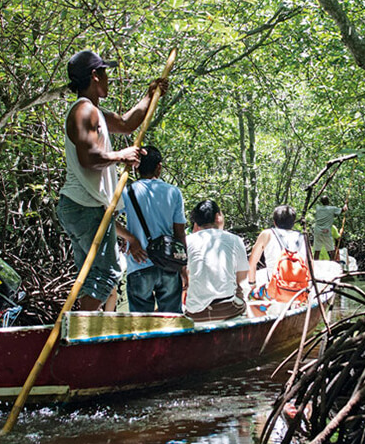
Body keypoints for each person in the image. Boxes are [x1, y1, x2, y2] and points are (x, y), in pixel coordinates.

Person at [57, 49, 167, 312]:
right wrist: (121, 155)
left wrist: (150, 95)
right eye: (106, 73)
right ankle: (81, 327)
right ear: (95, 75)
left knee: (90, 275)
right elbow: (88, 157)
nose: (109, 79)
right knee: (108, 271)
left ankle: (80, 331)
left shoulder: (93, 111)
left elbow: (128, 123)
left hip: (79, 206)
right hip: (85, 206)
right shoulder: (85, 111)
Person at [116, 146, 187, 313]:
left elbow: (107, 221)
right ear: (159, 166)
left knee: (141, 323)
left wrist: (132, 240)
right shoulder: (173, 192)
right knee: (171, 320)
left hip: (139, 263)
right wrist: (183, 267)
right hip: (168, 264)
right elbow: (179, 234)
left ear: (136, 167)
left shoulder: (127, 192)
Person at [184, 200, 249, 322]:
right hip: (228, 310)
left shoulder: (187, 241)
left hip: (196, 314)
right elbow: (242, 280)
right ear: (217, 216)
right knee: (243, 298)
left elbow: (184, 278)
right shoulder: (235, 240)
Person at [247, 205, 309, 301]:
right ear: (293, 222)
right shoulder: (302, 237)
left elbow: (252, 263)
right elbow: (309, 267)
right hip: (298, 293)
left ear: (274, 222)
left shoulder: (267, 234)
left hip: (274, 293)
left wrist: (252, 285)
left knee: (252, 296)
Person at [311, 195, 347, 260]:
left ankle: (315, 264)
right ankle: (332, 263)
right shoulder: (331, 209)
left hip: (317, 231)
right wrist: (345, 205)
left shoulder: (318, 208)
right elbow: (343, 210)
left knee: (317, 250)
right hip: (326, 231)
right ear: (328, 201)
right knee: (331, 249)